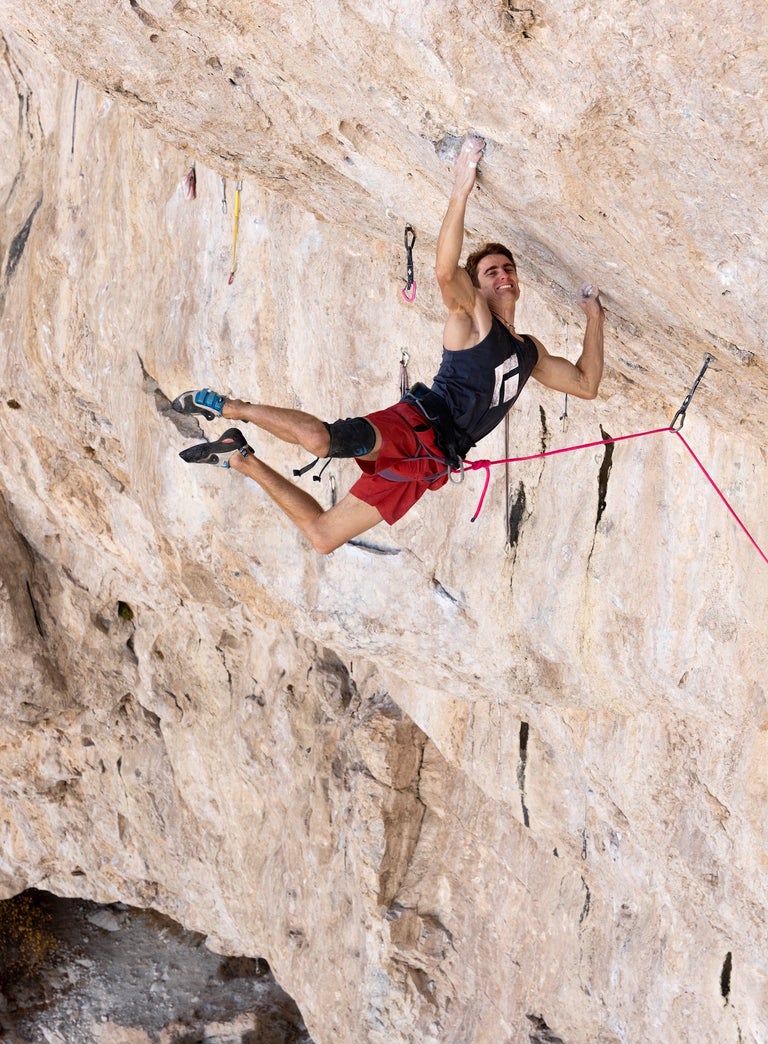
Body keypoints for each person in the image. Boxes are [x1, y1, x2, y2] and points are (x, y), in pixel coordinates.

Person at [174, 136, 604, 554]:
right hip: (413, 427)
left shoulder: (530, 352)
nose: (503, 275)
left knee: (323, 537)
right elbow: (442, 270)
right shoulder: (472, 317)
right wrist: (461, 186)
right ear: (475, 286)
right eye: (491, 271)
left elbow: (586, 384)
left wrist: (594, 317)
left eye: (508, 269)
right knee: (320, 441)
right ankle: (231, 407)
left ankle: (239, 456)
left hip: (433, 461)